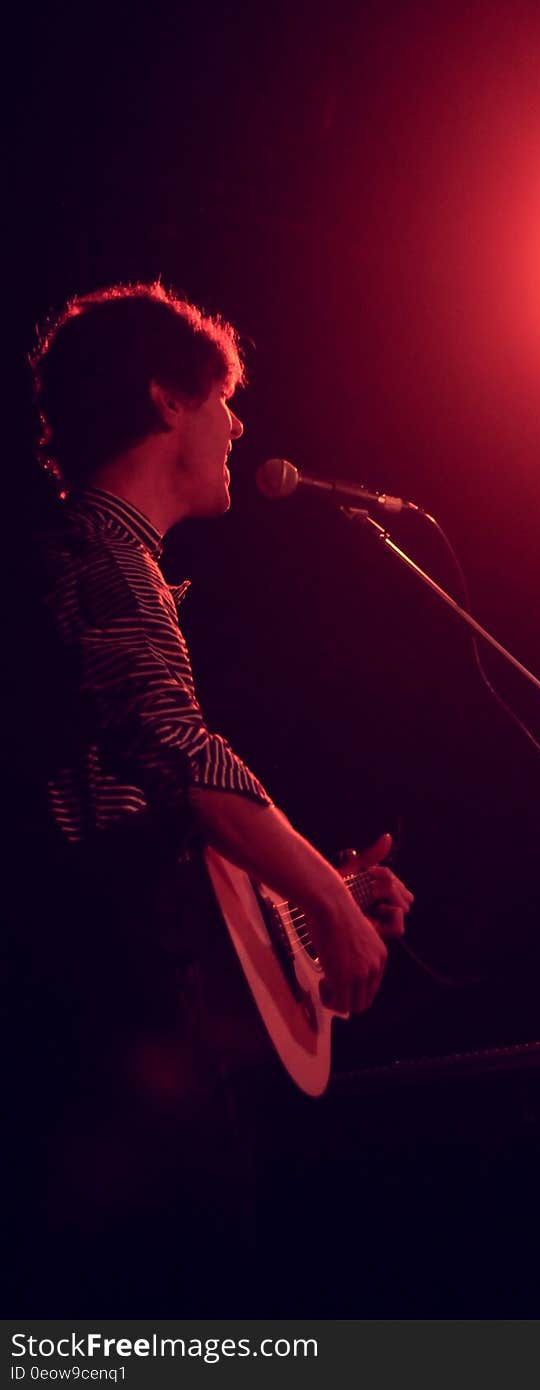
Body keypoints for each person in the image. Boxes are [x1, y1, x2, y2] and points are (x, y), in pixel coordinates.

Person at [8, 280, 414, 1314]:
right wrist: (320, 894)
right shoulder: (93, 552)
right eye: (219, 400)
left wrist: (322, 886)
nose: (237, 425)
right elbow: (176, 750)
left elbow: (155, 801)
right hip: (95, 1022)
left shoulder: (111, 560)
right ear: (163, 400)